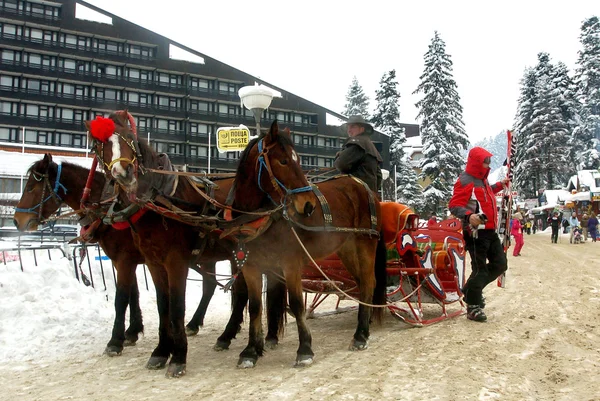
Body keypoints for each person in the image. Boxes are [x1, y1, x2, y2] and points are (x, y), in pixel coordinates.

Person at [448, 147, 509, 323]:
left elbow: (485, 195)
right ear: (476, 161)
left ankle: (469, 290)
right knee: (480, 270)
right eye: (485, 160)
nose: (488, 163)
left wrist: (500, 185)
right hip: (475, 232)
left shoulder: (482, 180)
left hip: (490, 229)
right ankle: (473, 306)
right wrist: (469, 216)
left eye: (489, 161)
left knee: (500, 264)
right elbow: (454, 205)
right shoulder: (466, 179)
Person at [334, 115, 383, 193]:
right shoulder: (369, 145)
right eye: (348, 127)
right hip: (369, 195)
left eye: (353, 127)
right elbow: (379, 176)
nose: (349, 130)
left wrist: (339, 156)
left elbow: (341, 164)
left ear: (362, 129)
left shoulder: (357, 143)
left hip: (354, 192)